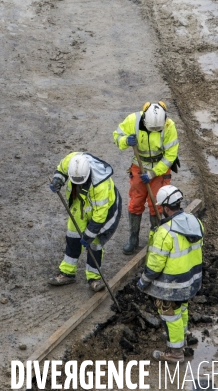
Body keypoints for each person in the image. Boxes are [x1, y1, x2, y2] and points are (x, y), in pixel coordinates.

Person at [137, 185, 203, 363]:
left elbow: (155, 265)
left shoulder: (165, 233)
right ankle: (183, 336)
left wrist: (143, 282)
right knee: (181, 308)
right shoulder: (194, 221)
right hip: (191, 279)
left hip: (172, 284)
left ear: (165, 207)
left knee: (170, 314)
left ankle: (175, 352)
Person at [48, 152, 122, 292]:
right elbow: (61, 170)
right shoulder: (72, 161)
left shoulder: (100, 186)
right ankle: (67, 272)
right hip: (80, 202)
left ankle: (94, 277)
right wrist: (57, 180)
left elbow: (99, 217)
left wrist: (88, 237)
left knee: (94, 243)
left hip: (106, 210)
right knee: (73, 235)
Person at [113, 101, 179, 254]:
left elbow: (170, 156)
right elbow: (116, 136)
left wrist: (154, 173)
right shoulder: (133, 120)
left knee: (157, 203)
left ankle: (155, 236)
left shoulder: (169, 126)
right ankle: (133, 238)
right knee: (136, 202)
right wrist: (125, 140)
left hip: (159, 169)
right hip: (139, 166)